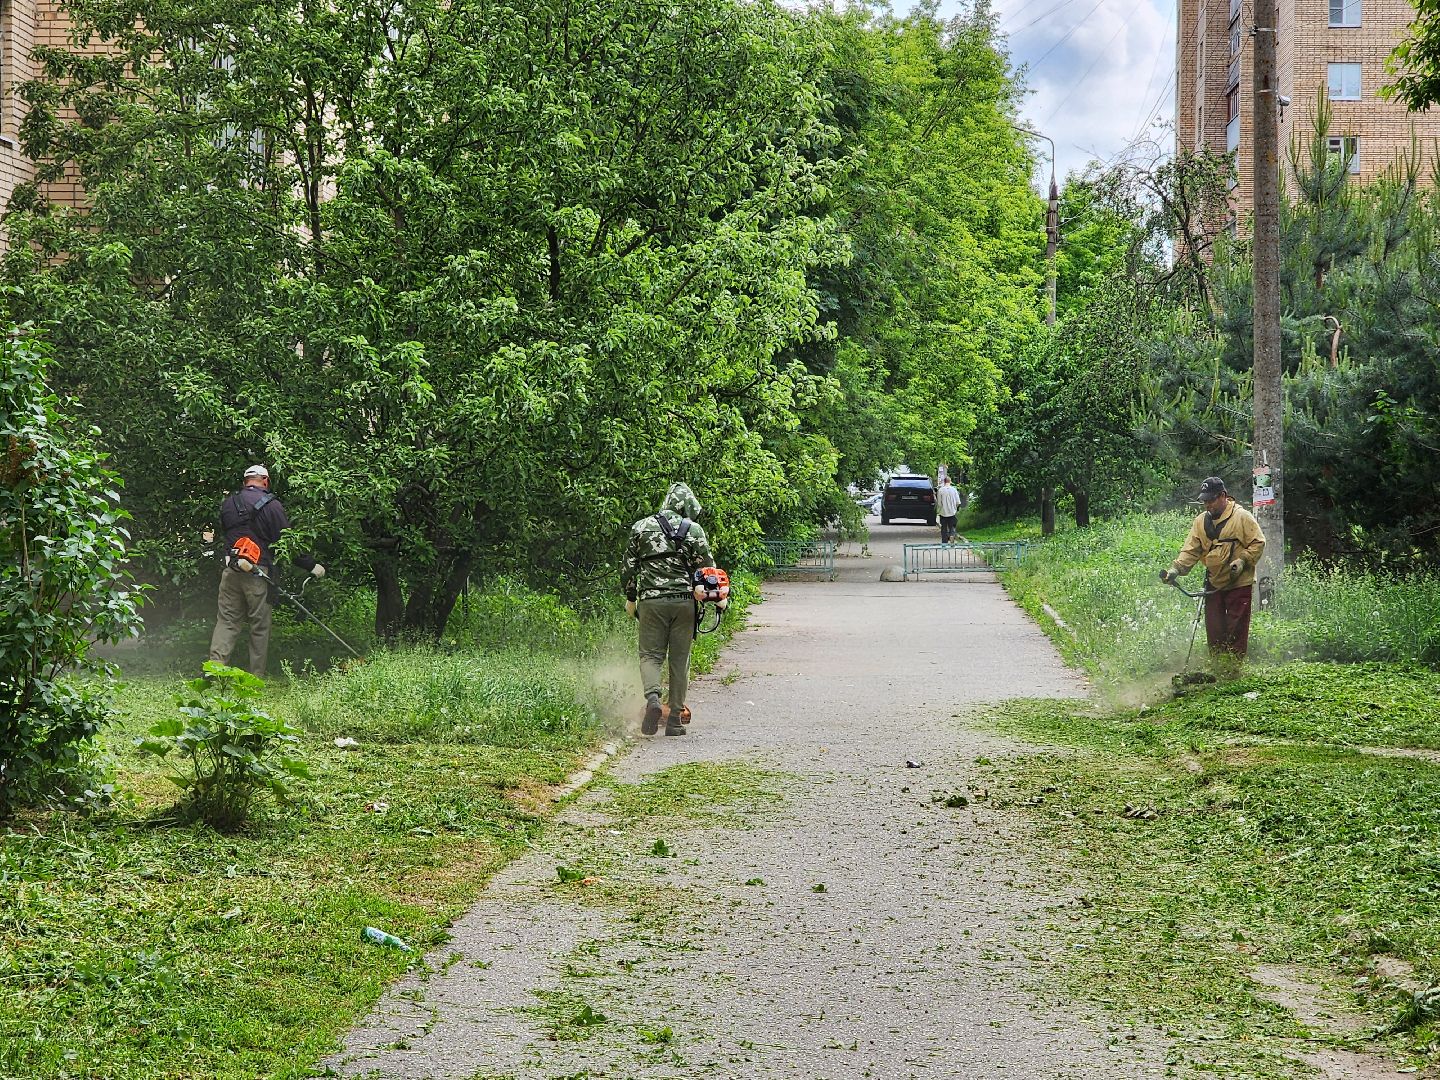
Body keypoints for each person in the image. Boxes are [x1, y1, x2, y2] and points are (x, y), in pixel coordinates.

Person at [208, 465, 323, 677]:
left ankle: (214, 670)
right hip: (257, 572)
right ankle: (255, 676)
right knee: (259, 626)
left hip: (232, 570)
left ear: (245, 482)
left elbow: (226, 534)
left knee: (227, 621)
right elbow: (285, 542)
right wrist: (311, 565)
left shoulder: (229, 503)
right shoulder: (272, 505)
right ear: (266, 481)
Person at [621, 482, 715, 736]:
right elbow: (708, 568)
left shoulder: (641, 527)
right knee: (679, 660)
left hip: (651, 603)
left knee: (651, 656)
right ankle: (674, 720)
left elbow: (628, 568)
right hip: (684, 603)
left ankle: (653, 699)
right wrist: (715, 597)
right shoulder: (693, 530)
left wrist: (631, 597)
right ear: (687, 507)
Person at [1160, 476, 1266, 667]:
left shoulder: (1241, 517)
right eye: (1205, 501)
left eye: (1211, 500)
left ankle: (1234, 669)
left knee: (1236, 628)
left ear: (1223, 496)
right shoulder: (1201, 522)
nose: (1207, 504)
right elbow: (1191, 550)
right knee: (1214, 628)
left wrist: (1243, 560)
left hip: (1238, 582)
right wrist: (1176, 569)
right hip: (1214, 581)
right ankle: (1218, 666)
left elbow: (1258, 542)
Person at [935, 475, 961, 543]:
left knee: (944, 528)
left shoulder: (940, 490)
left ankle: (944, 543)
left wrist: (939, 510)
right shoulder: (954, 490)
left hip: (943, 513)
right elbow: (958, 502)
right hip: (952, 512)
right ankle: (952, 535)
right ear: (950, 481)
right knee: (952, 526)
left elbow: (939, 503)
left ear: (944, 482)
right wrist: (955, 508)